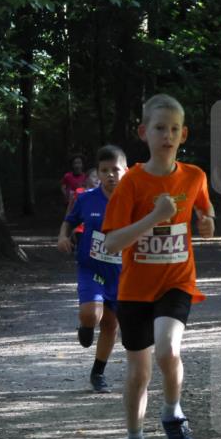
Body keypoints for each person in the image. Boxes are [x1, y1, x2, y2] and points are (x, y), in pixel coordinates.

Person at [101, 94, 215, 439]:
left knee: (169, 350)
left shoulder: (195, 176)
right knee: (139, 373)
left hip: (176, 282)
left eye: (173, 129)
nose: (166, 135)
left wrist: (208, 221)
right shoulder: (131, 181)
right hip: (134, 290)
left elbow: (203, 208)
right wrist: (154, 217)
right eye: (158, 128)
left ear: (183, 134)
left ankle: (173, 414)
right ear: (143, 132)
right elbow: (113, 243)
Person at [57, 146, 128, 393]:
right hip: (91, 267)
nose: (110, 175)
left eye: (115, 170)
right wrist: (62, 236)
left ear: (125, 171)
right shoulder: (87, 198)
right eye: (104, 170)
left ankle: (98, 373)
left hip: (121, 273)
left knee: (111, 324)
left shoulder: (135, 201)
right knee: (92, 314)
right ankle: (86, 325)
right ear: (97, 173)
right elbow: (70, 220)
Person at [63, 155, 89, 245]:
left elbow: (88, 188)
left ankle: (78, 239)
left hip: (82, 203)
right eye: (75, 163)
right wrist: (66, 195)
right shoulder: (67, 176)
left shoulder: (86, 176)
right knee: (70, 220)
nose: (77, 165)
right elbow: (63, 186)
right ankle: (68, 239)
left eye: (79, 163)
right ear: (72, 165)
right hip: (71, 202)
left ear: (82, 165)